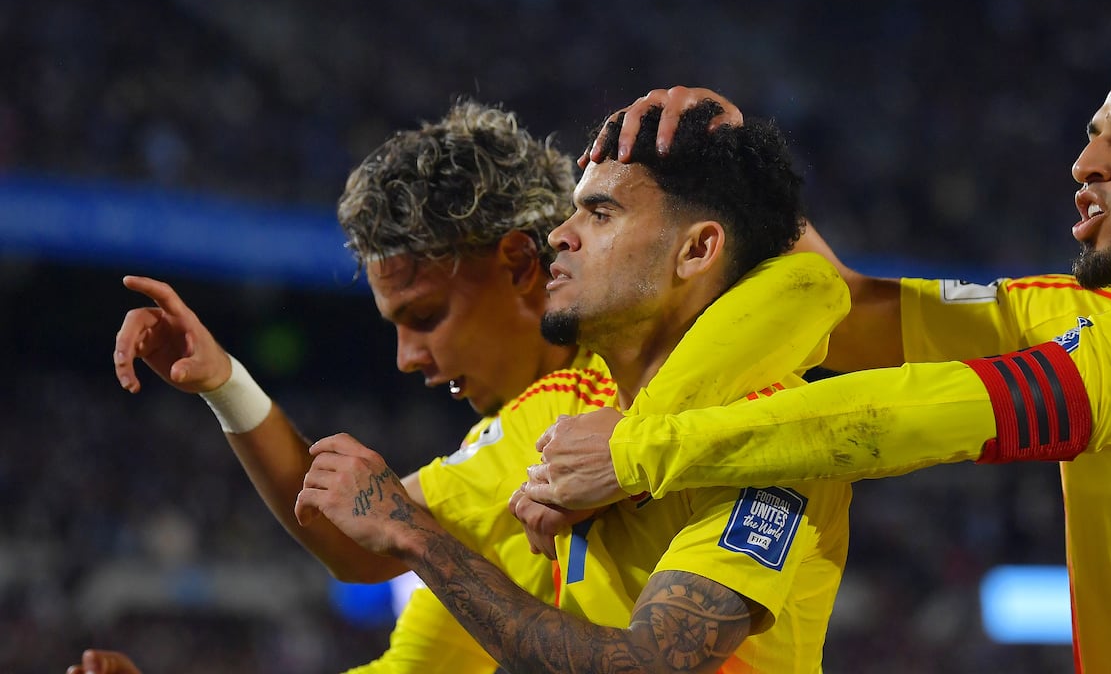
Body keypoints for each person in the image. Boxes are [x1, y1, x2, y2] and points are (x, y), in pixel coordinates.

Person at [529, 48, 1111, 671]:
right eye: (1093, 136)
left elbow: (908, 416)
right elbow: (849, 307)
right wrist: (734, 163)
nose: (1086, 164)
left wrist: (637, 452)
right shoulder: (1068, 318)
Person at [294, 101, 854, 672]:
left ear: (694, 250)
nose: (560, 235)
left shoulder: (767, 437)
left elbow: (651, 666)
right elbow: (356, 537)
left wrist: (416, 539)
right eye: (574, 213)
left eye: (601, 215)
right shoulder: (556, 412)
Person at [110, 99, 582, 674]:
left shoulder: (585, 401)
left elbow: (356, 544)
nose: (407, 358)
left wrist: (228, 385)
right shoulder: (514, 459)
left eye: (426, 315)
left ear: (520, 264)